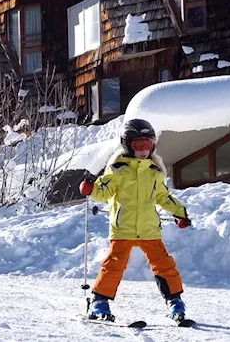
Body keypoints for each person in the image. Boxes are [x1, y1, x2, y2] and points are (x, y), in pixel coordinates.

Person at [79, 118, 192, 322]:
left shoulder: (154, 172)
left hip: (149, 229)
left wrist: (180, 213)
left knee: (164, 265)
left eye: (147, 145)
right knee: (114, 266)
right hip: (123, 228)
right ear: (127, 145)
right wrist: (90, 188)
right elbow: (103, 192)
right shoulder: (118, 169)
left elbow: (163, 197)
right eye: (138, 145)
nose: (143, 150)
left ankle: (175, 301)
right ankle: (99, 302)